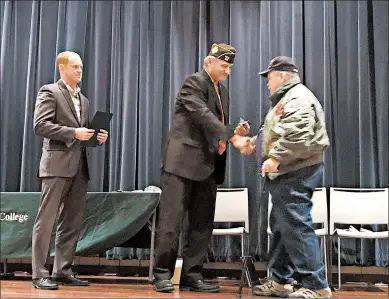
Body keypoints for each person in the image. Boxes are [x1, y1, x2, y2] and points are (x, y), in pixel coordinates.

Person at [153, 43, 250, 293]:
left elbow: (216, 124)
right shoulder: (193, 83)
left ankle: (192, 274)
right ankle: (162, 274)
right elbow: (203, 115)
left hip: (208, 164)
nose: (228, 71)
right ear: (209, 63)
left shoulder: (223, 92)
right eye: (224, 66)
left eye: (230, 67)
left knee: (202, 225)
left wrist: (233, 132)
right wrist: (232, 137)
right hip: (182, 164)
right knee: (171, 222)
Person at [239, 56, 332, 298]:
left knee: (296, 225)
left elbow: (298, 133)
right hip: (288, 170)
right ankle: (281, 280)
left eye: (269, 78)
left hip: (295, 170)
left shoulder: (297, 97)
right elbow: (275, 131)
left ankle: (315, 285)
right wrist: (254, 144)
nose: (267, 84)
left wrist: (276, 158)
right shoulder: (287, 99)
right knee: (282, 226)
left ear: (281, 76)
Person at [31, 51, 108, 290]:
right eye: (75, 67)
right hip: (56, 165)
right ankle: (39, 273)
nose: (79, 71)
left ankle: (62, 270)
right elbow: (40, 125)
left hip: (79, 167)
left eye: (81, 67)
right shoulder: (49, 91)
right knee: (47, 220)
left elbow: (82, 136)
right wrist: (72, 132)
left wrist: (96, 137)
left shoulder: (83, 100)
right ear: (61, 68)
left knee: (71, 222)